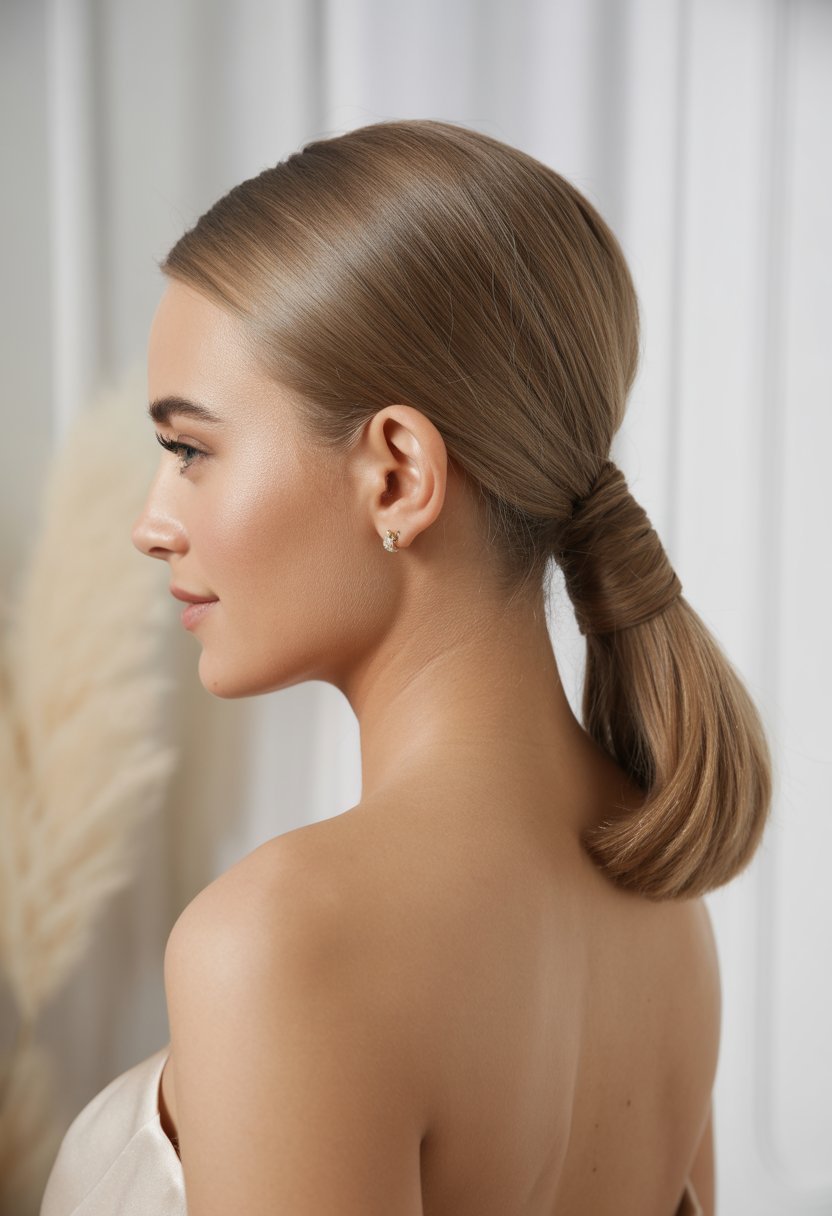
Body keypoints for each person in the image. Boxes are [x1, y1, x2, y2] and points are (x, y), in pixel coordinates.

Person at [41, 118, 771, 1216]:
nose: (151, 523)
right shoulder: (664, 905)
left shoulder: (286, 942)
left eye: (191, 449)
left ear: (396, 475)